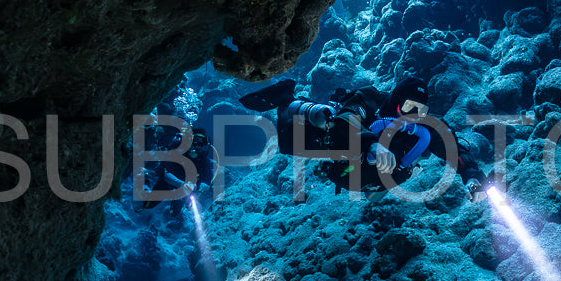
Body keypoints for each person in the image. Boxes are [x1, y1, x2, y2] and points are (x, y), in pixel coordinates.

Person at [240, 76, 486, 201]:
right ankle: (285, 99)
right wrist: (372, 144)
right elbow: (348, 117)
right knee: (297, 135)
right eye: (409, 107)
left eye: (420, 111)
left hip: (365, 176)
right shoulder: (369, 100)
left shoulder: (421, 124)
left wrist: (472, 175)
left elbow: (450, 144)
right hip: (341, 148)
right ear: (396, 100)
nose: (414, 116)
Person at [133, 103, 218, 213]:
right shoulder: (178, 152)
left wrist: (203, 186)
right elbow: (166, 173)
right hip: (167, 182)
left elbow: (208, 173)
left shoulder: (203, 159)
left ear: (206, 146)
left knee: (175, 213)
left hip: (185, 189)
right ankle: (146, 180)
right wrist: (182, 185)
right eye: (194, 142)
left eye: (200, 143)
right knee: (145, 205)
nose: (196, 147)